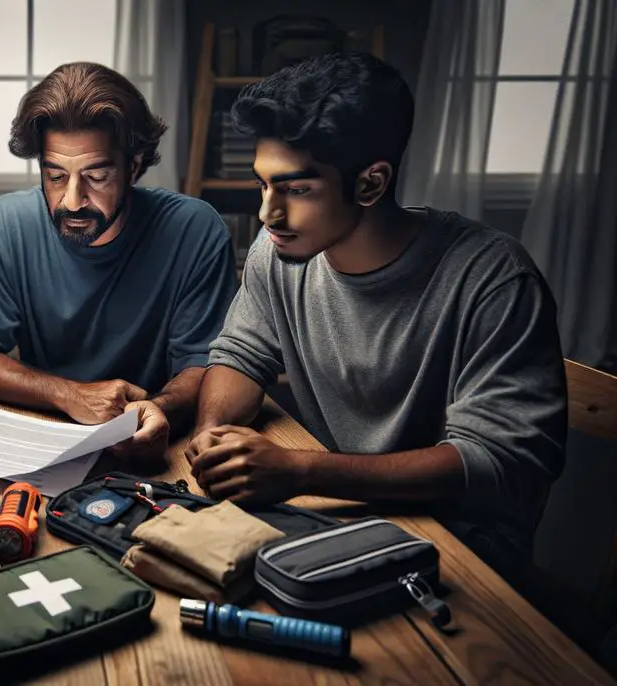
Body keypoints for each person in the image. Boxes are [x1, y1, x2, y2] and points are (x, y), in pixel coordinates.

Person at [187, 52, 566, 586]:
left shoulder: (493, 277)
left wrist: (300, 470)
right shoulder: (278, 252)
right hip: (335, 513)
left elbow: (498, 466)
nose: (268, 213)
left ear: (370, 183)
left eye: (297, 190)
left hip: (464, 549)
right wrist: (213, 435)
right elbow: (240, 356)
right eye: (262, 185)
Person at [0, 62, 238, 459]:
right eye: (55, 176)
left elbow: (203, 364)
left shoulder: (195, 230)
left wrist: (160, 407)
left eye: (97, 176)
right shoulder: (5, 225)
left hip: (158, 438)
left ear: (133, 166)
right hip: (47, 437)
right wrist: (68, 394)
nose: (72, 200)